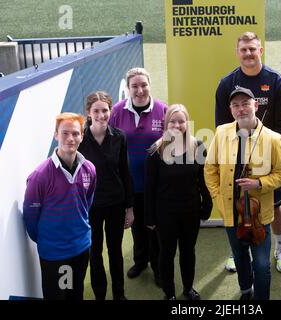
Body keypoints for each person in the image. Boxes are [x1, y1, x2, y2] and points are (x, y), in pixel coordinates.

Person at [215, 31, 281, 273]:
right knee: (237, 201)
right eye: (244, 49)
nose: (248, 53)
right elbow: (221, 125)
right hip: (235, 154)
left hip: (265, 154)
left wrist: (262, 147)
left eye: (253, 49)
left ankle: (280, 247)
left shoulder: (277, 82)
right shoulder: (226, 83)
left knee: (275, 201)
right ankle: (237, 248)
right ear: (238, 53)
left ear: (261, 50)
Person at [205, 87, 281, 300]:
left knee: (261, 265)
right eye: (235, 105)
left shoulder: (273, 139)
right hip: (231, 212)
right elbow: (210, 168)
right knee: (240, 256)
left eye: (245, 103)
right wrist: (217, 196)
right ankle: (246, 291)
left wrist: (258, 183)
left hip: (258, 215)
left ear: (256, 105)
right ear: (230, 109)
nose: (241, 109)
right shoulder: (222, 132)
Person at [23, 113, 96, 300]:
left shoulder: (89, 169)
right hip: (55, 253)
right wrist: (50, 240)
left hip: (81, 247)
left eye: (75, 133)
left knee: (75, 293)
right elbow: (31, 217)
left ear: (82, 136)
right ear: (56, 135)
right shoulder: (40, 176)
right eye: (65, 133)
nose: (70, 138)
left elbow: (86, 203)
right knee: (57, 296)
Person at [145, 104, 212, 300]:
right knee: (166, 254)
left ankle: (188, 288)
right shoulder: (155, 151)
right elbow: (150, 188)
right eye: (172, 121)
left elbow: (203, 180)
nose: (177, 125)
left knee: (188, 251)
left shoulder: (198, 146)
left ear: (187, 123)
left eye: (181, 121)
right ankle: (169, 293)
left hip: (190, 211)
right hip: (165, 213)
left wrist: (206, 205)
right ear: (166, 124)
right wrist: (149, 216)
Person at [109, 67, 168, 286]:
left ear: (149, 85)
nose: (140, 90)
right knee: (137, 226)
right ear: (128, 88)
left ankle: (158, 267)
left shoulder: (163, 109)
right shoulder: (117, 111)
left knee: (156, 227)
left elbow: (175, 142)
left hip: (157, 183)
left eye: (143, 85)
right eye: (134, 86)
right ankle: (140, 261)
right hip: (130, 182)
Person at [78, 91, 134, 300]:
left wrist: (129, 208)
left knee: (115, 251)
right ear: (88, 113)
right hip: (90, 206)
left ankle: (119, 294)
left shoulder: (119, 137)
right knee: (95, 253)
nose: (101, 115)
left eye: (105, 110)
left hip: (115, 204)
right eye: (96, 111)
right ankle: (100, 295)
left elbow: (125, 172)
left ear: (111, 111)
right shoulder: (80, 139)